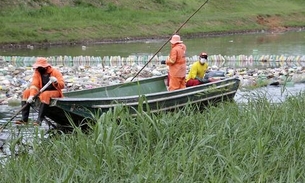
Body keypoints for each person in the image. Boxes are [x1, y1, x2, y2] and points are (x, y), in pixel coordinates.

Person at [15, 57, 65, 126]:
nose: (38, 69)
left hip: (55, 92)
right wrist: (31, 95)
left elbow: (62, 85)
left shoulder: (55, 72)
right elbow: (34, 85)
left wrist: (56, 82)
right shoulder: (37, 73)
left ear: (45, 67)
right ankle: (24, 119)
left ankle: (39, 120)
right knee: (26, 92)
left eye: (40, 67)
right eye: (37, 67)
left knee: (45, 94)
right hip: (42, 92)